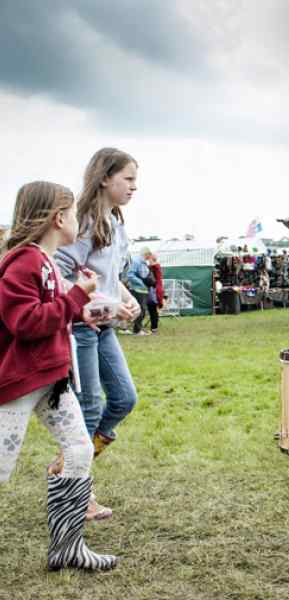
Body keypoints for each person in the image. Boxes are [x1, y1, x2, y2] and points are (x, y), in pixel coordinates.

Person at [0, 181, 117, 570]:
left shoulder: (46, 260)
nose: (78, 222)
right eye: (72, 212)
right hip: (19, 383)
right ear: (58, 218)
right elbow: (26, 322)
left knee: (80, 450)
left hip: (51, 379)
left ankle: (67, 547)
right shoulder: (23, 262)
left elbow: (54, 312)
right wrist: (76, 298)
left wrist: (82, 309)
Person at [54, 147, 141, 520]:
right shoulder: (84, 222)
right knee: (88, 408)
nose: (134, 187)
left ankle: (67, 463)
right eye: (129, 178)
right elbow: (61, 273)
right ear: (105, 178)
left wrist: (128, 296)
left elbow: (108, 276)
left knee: (123, 398)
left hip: (104, 329)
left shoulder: (115, 222)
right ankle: (77, 494)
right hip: (81, 327)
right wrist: (105, 301)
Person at [127, 247, 152, 335]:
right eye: (150, 255)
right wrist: (141, 283)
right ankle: (137, 330)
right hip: (137, 289)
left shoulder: (143, 263)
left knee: (142, 310)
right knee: (141, 310)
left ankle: (137, 328)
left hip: (142, 290)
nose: (150, 257)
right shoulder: (137, 262)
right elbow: (130, 275)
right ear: (147, 254)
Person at [146, 252, 164, 334]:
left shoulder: (154, 267)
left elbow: (151, 279)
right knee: (154, 310)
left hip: (154, 290)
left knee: (152, 310)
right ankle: (154, 328)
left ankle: (154, 328)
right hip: (157, 289)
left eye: (149, 258)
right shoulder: (157, 266)